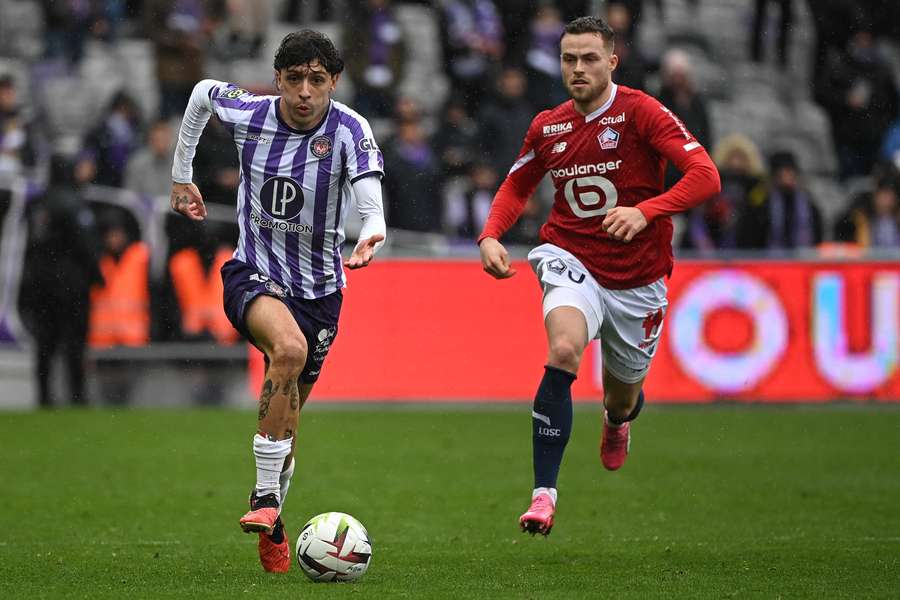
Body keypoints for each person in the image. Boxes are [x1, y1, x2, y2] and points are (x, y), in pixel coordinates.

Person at [478, 16, 719, 535]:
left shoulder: (642, 112)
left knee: (621, 396)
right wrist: (491, 235)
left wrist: (648, 210)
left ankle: (616, 422)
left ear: (612, 61)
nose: (578, 68)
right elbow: (517, 186)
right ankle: (543, 495)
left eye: (589, 58)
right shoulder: (549, 125)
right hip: (571, 257)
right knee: (563, 350)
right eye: (569, 59)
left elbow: (706, 176)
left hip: (638, 279)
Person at [169, 30, 386, 573]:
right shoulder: (251, 113)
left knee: (286, 427)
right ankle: (263, 500)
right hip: (254, 275)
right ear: (278, 80)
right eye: (294, 79)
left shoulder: (349, 129)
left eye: (317, 80)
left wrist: (373, 226)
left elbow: (368, 188)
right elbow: (200, 94)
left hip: (321, 293)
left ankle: (274, 522)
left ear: (334, 81)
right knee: (286, 351)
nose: (305, 92)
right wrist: (181, 177)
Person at [19, 153, 103, 407]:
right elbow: (86, 244)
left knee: (45, 341)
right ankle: (77, 396)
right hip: (70, 282)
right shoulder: (73, 203)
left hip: (40, 281)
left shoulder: (36, 204)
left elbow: (30, 244)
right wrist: (97, 275)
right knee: (74, 340)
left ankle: (44, 396)